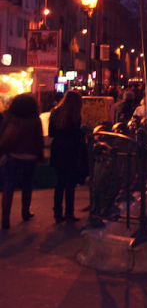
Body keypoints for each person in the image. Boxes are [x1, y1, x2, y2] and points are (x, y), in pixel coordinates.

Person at [0, 94, 45, 229]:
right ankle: (25, 212)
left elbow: (2, 135)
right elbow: (39, 139)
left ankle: (5, 218)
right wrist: (40, 155)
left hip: (12, 155)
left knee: (9, 185)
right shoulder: (35, 120)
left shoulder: (9, 118)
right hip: (30, 156)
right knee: (27, 184)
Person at [48, 91, 87, 223]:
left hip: (58, 149)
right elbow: (77, 135)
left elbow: (51, 133)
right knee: (70, 183)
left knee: (59, 183)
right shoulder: (75, 116)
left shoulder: (55, 113)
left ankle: (57, 212)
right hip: (71, 151)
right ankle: (69, 212)